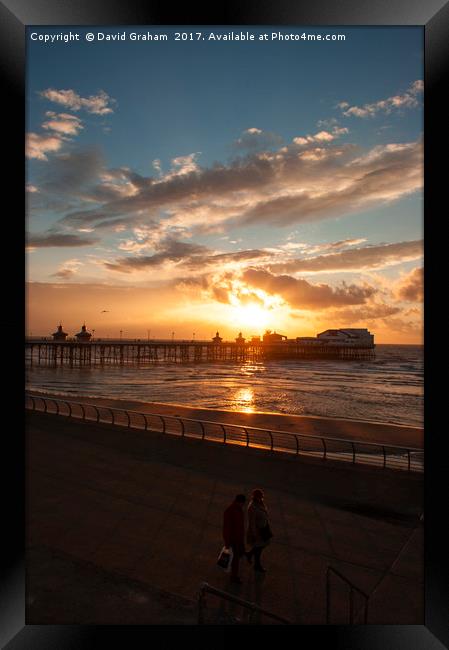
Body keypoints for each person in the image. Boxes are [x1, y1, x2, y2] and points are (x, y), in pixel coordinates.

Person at [223, 494, 248, 584]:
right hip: (233, 540)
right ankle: (234, 577)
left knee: (236, 558)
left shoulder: (237, 509)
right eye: (243, 503)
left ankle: (234, 575)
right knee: (235, 559)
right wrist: (227, 542)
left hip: (238, 539)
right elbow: (227, 528)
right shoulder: (231, 511)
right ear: (240, 502)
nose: (243, 505)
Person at [246, 489, 272, 572]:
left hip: (264, 529)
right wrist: (254, 534)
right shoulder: (252, 507)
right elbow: (252, 522)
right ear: (255, 497)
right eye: (259, 497)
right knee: (259, 548)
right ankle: (257, 565)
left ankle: (249, 554)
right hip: (258, 531)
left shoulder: (260, 503)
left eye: (261, 497)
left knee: (261, 546)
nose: (261, 498)